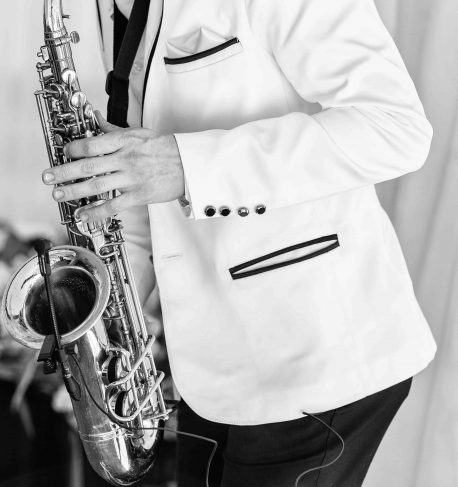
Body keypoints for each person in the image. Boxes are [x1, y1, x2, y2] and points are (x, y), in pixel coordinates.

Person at [41, 0, 436, 485]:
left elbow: (395, 128)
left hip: (312, 355)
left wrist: (188, 165)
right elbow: (142, 162)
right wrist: (109, 308)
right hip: (211, 364)